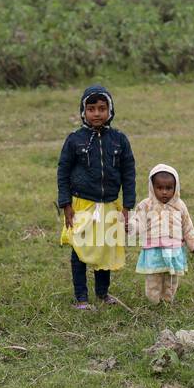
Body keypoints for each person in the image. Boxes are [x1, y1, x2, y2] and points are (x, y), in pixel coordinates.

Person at [57, 84, 136, 309]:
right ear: (83, 112)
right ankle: (81, 298)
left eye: (102, 108)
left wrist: (127, 206)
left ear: (110, 111)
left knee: (105, 248)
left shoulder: (119, 141)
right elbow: (62, 171)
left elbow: (129, 173)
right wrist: (66, 204)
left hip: (110, 204)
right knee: (80, 249)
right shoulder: (74, 140)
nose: (97, 113)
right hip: (82, 204)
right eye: (91, 109)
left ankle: (103, 293)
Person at [131, 163, 194, 304]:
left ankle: (167, 300)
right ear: (152, 187)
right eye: (160, 188)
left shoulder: (179, 205)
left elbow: (187, 226)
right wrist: (130, 227)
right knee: (154, 278)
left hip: (174, 251)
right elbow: (139, 222)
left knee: (171, 278)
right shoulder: (146, 205)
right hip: (153, 251)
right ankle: (153, 301)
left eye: (169, 188)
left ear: (175, 188)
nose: (164, 192)